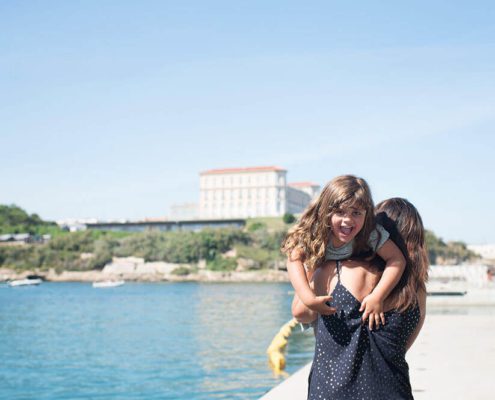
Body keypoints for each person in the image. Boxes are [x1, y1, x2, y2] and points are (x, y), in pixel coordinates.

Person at [293, 198, 429, 399]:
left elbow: (300, 312)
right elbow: (400, 347)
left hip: (333, 390)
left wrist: (314, 263)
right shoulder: (417, 290)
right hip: (394, 391)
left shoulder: (337, 270)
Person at [282, 175, 406, 330]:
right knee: (301, 313)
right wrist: (308, 298)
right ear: (326, 212)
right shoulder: (316, 231)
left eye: (356, 213)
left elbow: (396, 259)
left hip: (342, 282)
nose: (348, 220)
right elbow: (294, 258)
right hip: (315, 269)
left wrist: (377, 296)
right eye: (340, 212)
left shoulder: (369, 233)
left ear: (366, 214)